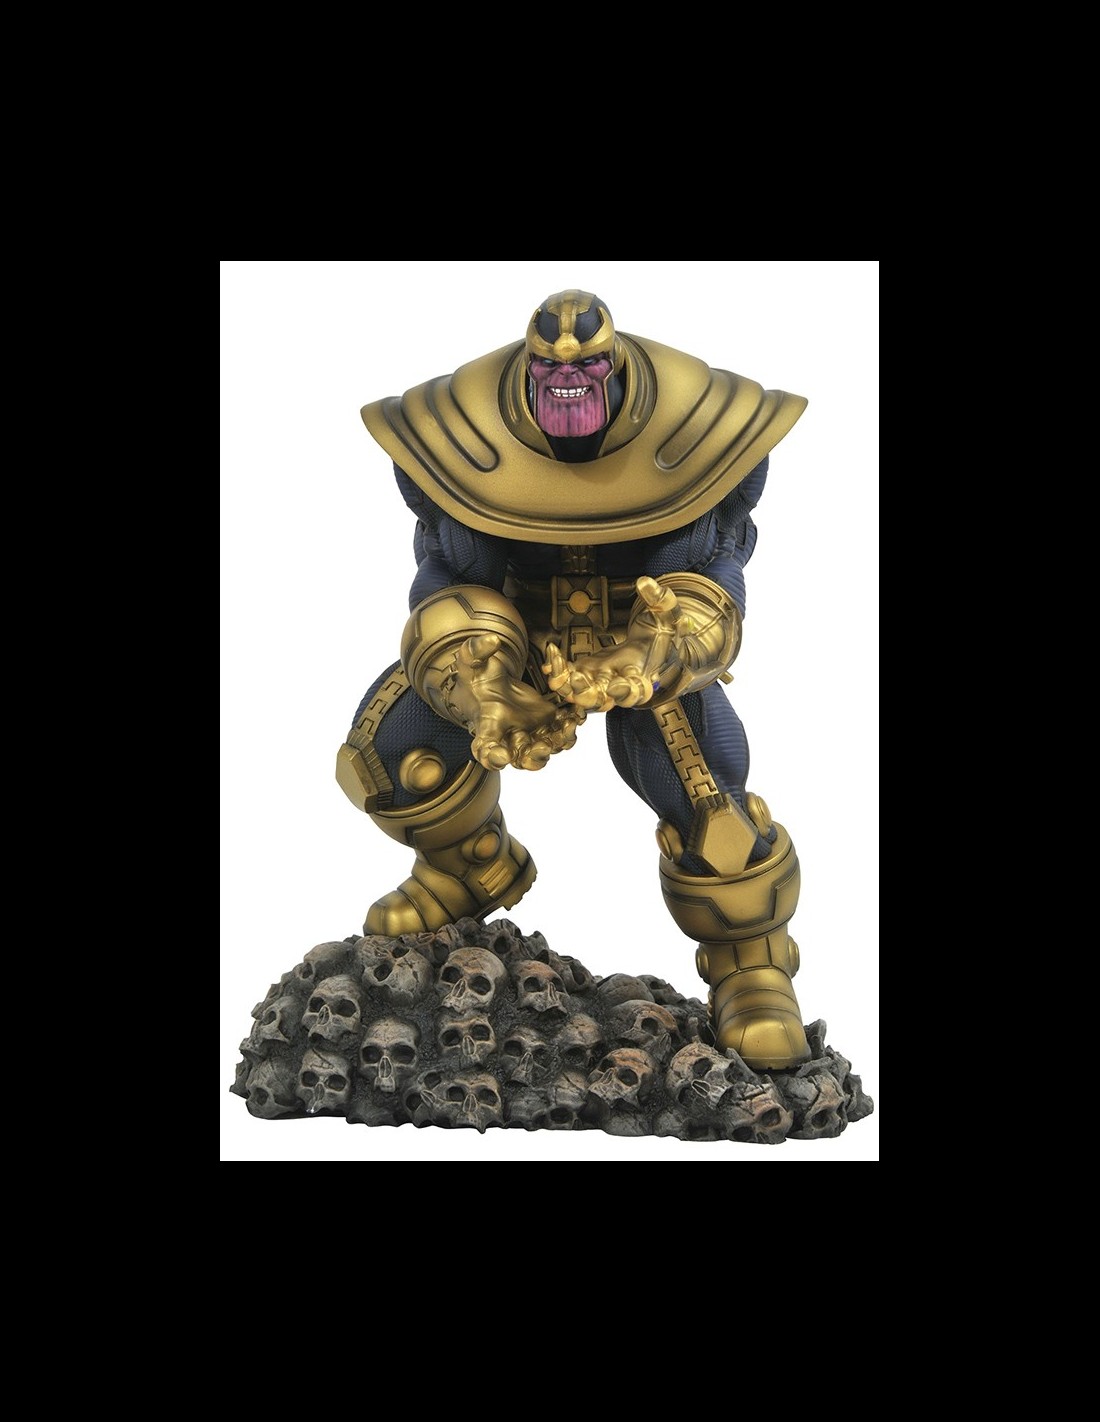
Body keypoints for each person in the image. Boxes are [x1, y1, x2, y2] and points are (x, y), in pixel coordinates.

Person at [336, 291, 811, 1069]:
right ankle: (470, 865)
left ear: (612, 366)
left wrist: (659, 653)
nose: (567, 380)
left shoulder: (696, 424)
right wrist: (482, 687)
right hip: (510, 639)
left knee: (711, 807)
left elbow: (710, 574)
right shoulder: (462, 431)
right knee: (388, 758)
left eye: (585, 366)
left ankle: (751, 966)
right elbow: (450, 575)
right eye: (551, 369)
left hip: (642, 648)